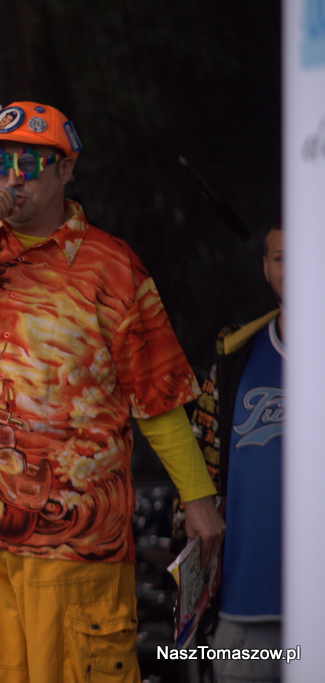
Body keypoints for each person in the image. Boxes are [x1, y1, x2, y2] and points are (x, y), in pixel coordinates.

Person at [0, 101, 225, 682]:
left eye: (27, 163)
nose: (10, 177)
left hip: (71, 535)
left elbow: (157, 393)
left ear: (65, 169)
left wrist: (197, 499)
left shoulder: (110, 266)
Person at [189, 221, 284, 682]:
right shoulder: (235, 355)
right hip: (244, 614)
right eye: (282, 259)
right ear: (265, 268)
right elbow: (199, 474)